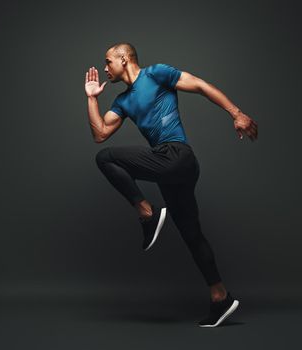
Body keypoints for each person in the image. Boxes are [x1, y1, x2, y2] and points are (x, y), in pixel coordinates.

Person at [84, 42, 258, 327]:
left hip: (178, 156)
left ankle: (147, 212)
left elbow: (200, 85)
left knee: (106, 159)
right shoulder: (123, 101)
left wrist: (236, 113)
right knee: (191, 234)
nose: (105, 68)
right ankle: (220, 297)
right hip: (168, 170)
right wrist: (91, 99)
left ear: (124, 59)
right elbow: (100, 133)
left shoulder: (156, 74)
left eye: (108, 62)